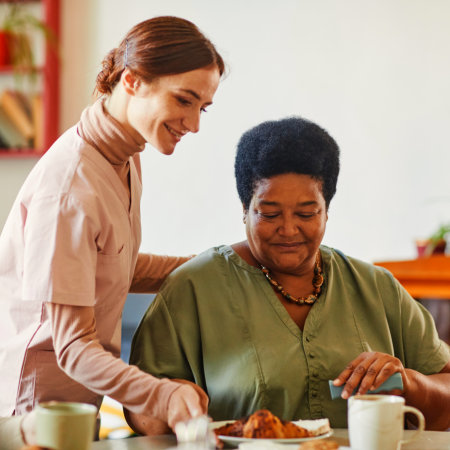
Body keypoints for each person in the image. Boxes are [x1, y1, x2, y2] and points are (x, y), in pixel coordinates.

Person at [127, 117, 450, 433]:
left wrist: (410, 383)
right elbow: (140, 415)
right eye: (269, 213)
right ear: (244, 207)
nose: (288, 229)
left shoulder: (376, 288)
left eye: (307, 213)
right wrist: (170, 402)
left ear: (327, 209)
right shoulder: (193, 287)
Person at [0, 15, 224, 440]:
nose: (194, 123)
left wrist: (211, 267)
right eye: (184, 100)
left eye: (202, 107)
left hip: (81, 409)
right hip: (31, 415)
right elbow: (72, 348)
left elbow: (109, 266)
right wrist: (163, 396)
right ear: (133, 80)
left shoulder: (125, 155)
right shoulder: (69, 189)